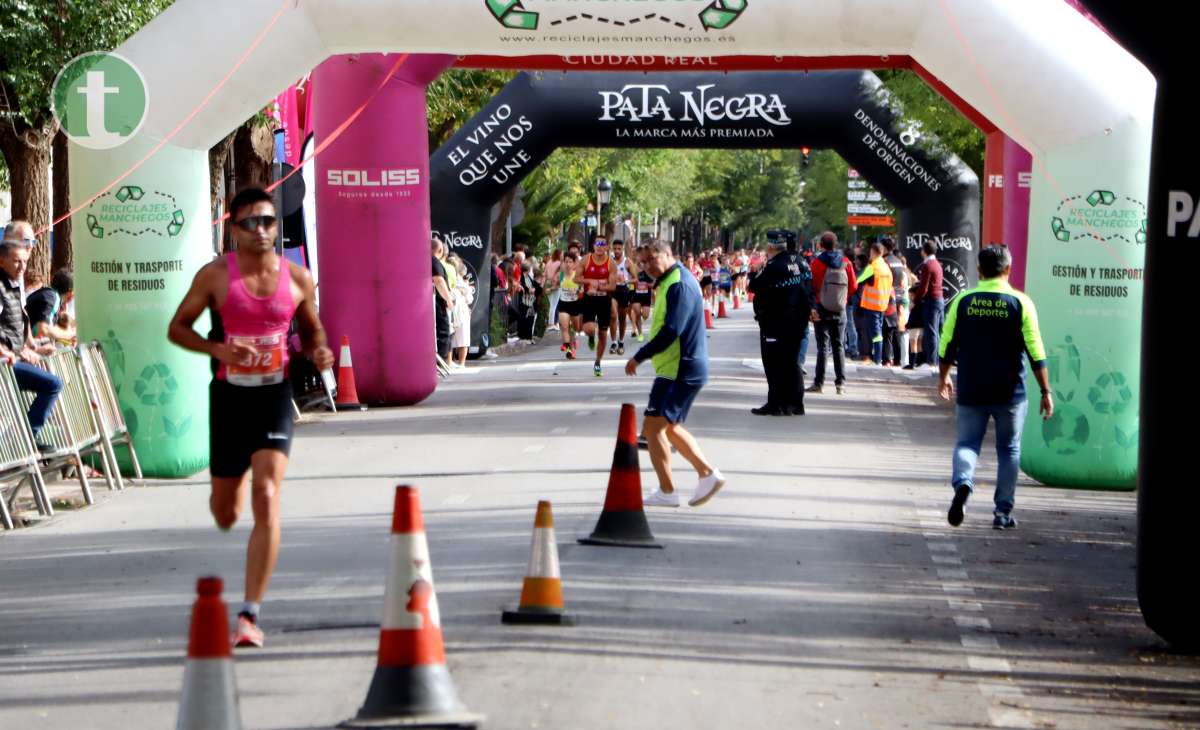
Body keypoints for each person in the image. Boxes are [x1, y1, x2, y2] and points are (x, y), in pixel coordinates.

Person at [167, 187, 334, 647]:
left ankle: (249, 613)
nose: (261, 231)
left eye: (268, 221)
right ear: (233, 230)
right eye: (250, 223)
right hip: (228, 397)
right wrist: (217, 347)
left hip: (274, 395)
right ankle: (232, 480)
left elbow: (311, 322)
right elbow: (177, 327)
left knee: (267, 493)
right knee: (226, 512)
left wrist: (318, 347)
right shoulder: (215, 276)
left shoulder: (298, 277)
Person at [939, 245, 1052, 531]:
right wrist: (1045, 390)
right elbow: (1035, 350)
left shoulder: (964, 300)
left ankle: (963, 484)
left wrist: (944, 377)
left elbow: (947, 343)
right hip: (1010, 393)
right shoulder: (1021, 302)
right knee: (1009, 450)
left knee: (967, 444)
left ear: (979, 270)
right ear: (1008, 269)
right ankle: (1003, 512)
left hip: (972, 388)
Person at [625, 240, 725, 508]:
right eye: (642, 263)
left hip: (680, 368)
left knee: (654, 427)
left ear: (668, 254)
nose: (647, 267)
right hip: (675, 367)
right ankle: (705, 475)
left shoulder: (679, 284)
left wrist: (640, 356)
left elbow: (672, 330)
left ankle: (670, 489)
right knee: (666, 427)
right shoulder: (671, 281)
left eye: (651, 260)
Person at [0, 222, 61, 449]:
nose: (22, 266)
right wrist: (6, 351)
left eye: (32, 242)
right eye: (26, 241)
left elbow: (21, 316)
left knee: (51, 384)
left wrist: (31, 346)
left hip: (12, 358)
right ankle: (26, 440)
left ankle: (26, 439)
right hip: (5, 362)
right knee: (52, 384)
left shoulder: (15, 281)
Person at [748, 237, 813, 416]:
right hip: (799, 320)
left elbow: (753, 286)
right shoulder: (802, 263)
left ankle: (776, 403)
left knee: (773, 362)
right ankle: (795, 403)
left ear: (770, 247)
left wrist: (755, 271)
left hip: (775, 321)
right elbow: (809, 288)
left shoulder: (773, 266)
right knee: (793, 362)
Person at [807, 232, 857, 395]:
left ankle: (819, 383)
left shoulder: (817, 263)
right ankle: (840, 384)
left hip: (821, 308)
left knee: (823, 347)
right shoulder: (846, 262)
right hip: (840, 309)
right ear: (836, 244)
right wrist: (842, 299)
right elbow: (854, 286)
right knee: (839, 346)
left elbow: (812, 286)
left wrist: (815, 305)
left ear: (821, 245)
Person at [579, 238, 617, 377]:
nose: (600, 247)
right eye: (597, 244)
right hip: (589, 299)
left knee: (602, 334)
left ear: (606, 247)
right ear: (593, 245)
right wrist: (589, 281)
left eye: (603, 244)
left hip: (604, 300)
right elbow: (576, 278)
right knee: (589, 329)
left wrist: (600, 286)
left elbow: (613, 286)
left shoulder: (611, 263)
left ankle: (598, 362)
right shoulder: (585, 260)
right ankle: (590, 336)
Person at [856, 243, 893, 365]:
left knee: (876, 334)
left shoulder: (872, 267)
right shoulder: (886, 268)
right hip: (882, 305)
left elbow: (857, 279)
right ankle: (878, 358)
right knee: (878, 332)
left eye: (870, 252)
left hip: (871, 305)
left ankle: (877, 359)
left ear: (874, 252)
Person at [912, 240, 945, 367]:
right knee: (938, 332)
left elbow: (924, 287)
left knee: (931, 332)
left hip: (931, 301)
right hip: (939, 299)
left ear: (924, 251)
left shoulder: (927, 265)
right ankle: (937, 360)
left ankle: (932, 362)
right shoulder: (937, 264)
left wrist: (916, 300)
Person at [608, 239, 637, 356]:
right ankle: (614, 342)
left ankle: (621, 341)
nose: (617, 251)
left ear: (623, 249)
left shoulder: (627, 262)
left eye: (619, 249)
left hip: (624, 291)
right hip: (612, 291)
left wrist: (626, 280)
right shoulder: (609, 261)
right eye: (615, 249)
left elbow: (635, 279)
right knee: (613, 315)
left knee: (622, 318)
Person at [448, 254, 473, 368]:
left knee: (451, 336)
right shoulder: (461, 282)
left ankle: (450, 361)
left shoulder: (450, 278)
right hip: (460, 310)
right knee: (462, 337)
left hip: (453, 309)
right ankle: (461, 363)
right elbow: (469, 299)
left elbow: (469, 297)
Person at [556, 252, 583, 359]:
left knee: (576, 328)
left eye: (570, 262)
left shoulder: (577, 275)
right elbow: (553, 282)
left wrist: (576, 292)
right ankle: (568, 349)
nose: (568, 264)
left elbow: (582, 289)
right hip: (563, 304)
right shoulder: (560, 275)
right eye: (566, 261)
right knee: (565, 327)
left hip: (575, 304)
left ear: (574, 263)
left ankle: (573, 342)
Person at [431, 238, 453, 362]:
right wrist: (448, 299)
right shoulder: (434, 261)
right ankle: (441, 361)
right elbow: (439, 280)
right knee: (443, 331)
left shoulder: (425, 260)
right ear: (440, 250)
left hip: (434, 302)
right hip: (438, 303)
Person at [542, 249, 563, 333]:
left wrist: (543, 285)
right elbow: (561, 275)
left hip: (548, 283)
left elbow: (544, 274)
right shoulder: (559, 263)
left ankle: (550, 323)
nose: (563, 256)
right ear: (559, 255)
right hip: (555, 285)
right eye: (562, 254)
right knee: (554, 305)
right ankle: (551, 324)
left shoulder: (549, 262)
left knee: (551, 304)